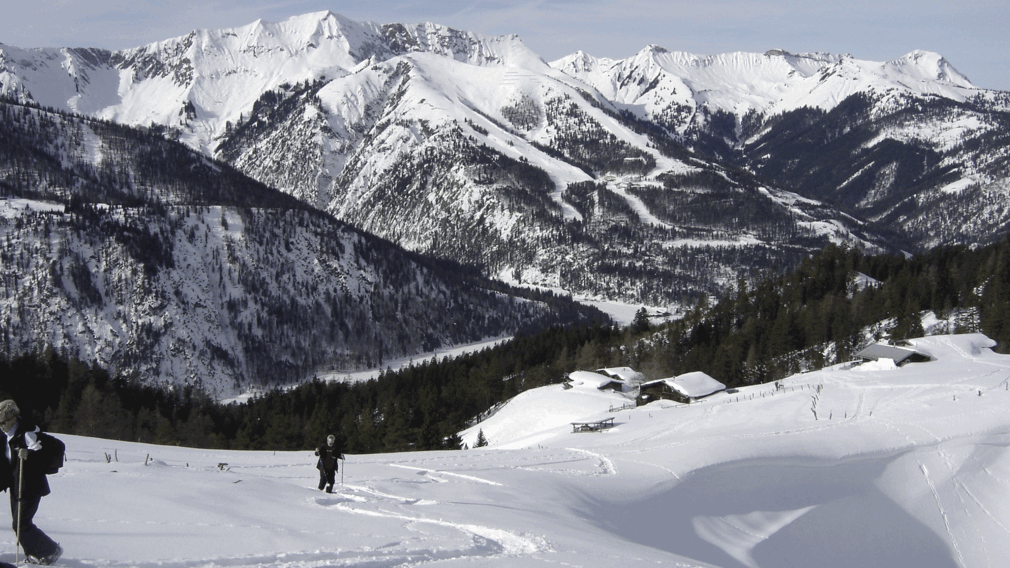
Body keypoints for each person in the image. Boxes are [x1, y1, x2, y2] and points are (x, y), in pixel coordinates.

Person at [0, 400, 62, 565]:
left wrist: (29, 455)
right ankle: (36, 553)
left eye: (3, 422)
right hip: (15, 486)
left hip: (30, 486)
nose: (1, 426)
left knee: (21, 524)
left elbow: (42, 458)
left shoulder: (27, 434)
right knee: (19, 525)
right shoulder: (4, 436)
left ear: (13, 418)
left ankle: (50, 550)